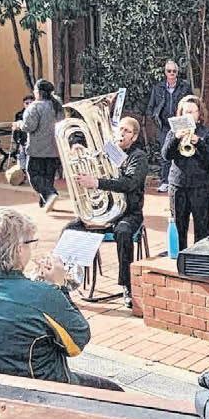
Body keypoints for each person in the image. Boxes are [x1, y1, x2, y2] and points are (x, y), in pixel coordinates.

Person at [0, 207, 120, 389]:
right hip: (38, 392)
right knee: (114, 391)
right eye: (31, 243)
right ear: (19, 249)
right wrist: (58, 287)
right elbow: (78, 341)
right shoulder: (43, 295)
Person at [62, 116, 148, 309]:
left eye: (127, 131)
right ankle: (65, 281)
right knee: (70, 229)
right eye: (120, 129)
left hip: (128, 213)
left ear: (134, 137)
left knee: (123, 233)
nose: (121, 133)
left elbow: (130, 183)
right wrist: (78, 147)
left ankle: (127, 286)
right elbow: (82, 142)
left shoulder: (138, 157)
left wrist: (96, 182)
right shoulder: (107, 151)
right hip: (103, 212)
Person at [162, 94, 209, 249]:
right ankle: (180, 256)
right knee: (179, 225)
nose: (189, 115)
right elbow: (166, 155)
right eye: (186, 112)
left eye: (193, 112)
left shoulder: (206, 133)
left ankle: (200, 256)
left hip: (201, 186)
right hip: (178, 185)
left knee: (202, 226)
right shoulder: (173, 132)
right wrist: (176, 138)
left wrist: (198, 142)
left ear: (199, 114)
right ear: (181, 113)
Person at [147, 60, 192, 193]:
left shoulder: (185, 87)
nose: (172, 73)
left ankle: (181, 181)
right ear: (165, 73)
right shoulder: (158, 88)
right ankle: (165, 181)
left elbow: (192, 103)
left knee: (181, 152)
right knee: (165, 153)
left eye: (174, 71)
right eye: (169, 71)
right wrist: (155, 119)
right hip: (164, 125)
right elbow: (151, 107)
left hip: (180, 124)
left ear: (177, 73)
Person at [19, 79, 64, 210]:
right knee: (48, 177)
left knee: (34, 175)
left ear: (38, 92)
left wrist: (19, 125)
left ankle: (50, 194)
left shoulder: (35, 107)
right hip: (54, 149)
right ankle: (46, 202)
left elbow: (29, 127)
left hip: (37, 150)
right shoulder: (57, 105)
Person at [13, 93, 34, 176]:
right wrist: (16, 138)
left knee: (29, 159)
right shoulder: (19, 114)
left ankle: (29, 173)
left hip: (31, 141)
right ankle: (22, 174)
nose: (29, 105)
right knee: (21, 157)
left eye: (31, 103)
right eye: (26, 103)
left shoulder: (35, 114)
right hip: (21, 139)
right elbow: (16, 129)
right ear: (23, 104)